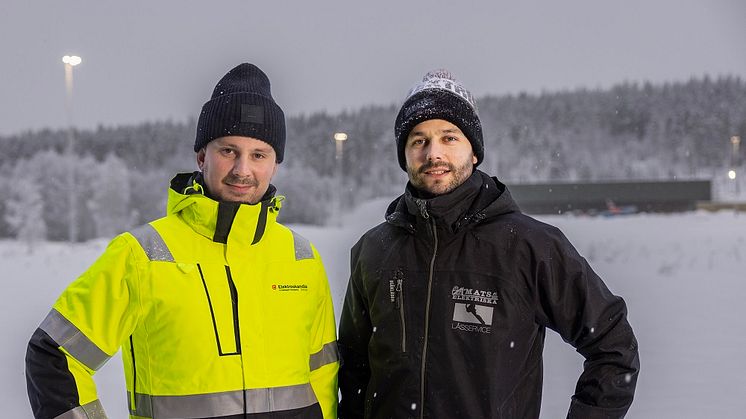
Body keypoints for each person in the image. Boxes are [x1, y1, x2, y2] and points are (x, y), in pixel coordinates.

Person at [25, 63, 339, 419]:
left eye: (258, 155)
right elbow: (55, 354)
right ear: (202, 156)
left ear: (275, 165)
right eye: (228, 151)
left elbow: (322, 375)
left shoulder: (301, 257)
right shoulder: (142, 254)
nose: (242, 170)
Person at [337, 69, 639, 419]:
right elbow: (353, 371)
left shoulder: (529, 247)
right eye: (418, 140)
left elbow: (613, 347)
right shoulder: (373, 251)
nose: (433, 153)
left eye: (449, 138)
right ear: (404, 155)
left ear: (474, 152)